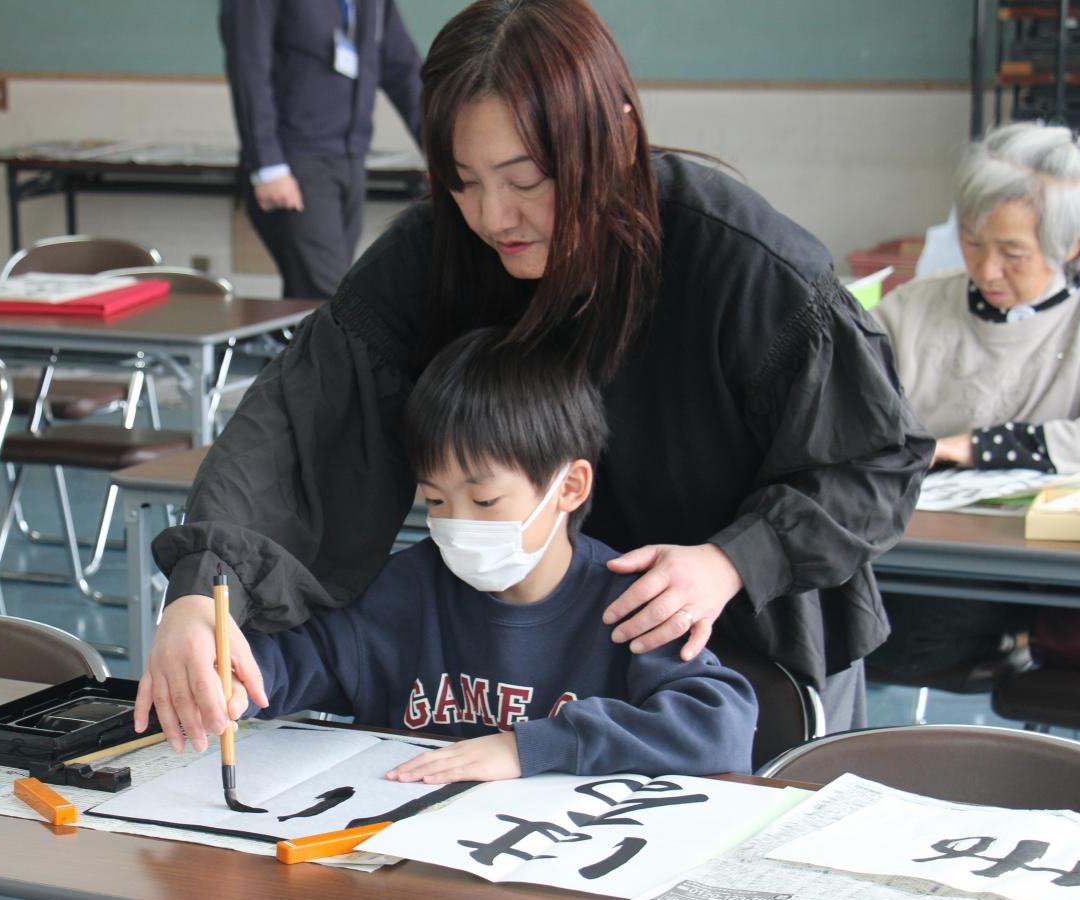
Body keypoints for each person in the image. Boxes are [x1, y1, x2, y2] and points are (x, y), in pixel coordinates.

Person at [139, 0, 930, 748]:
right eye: (463, 179)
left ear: (616, 137)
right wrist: (205, 590)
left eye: (525, 181)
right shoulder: (436, 253)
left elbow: (874, 464)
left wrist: (730, 560)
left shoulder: (744, 265)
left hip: (737, 649)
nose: (493, 217)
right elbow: (302, 423)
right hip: (540, 661)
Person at [237, 328, 757, 900]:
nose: (457, 525)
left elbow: (719, 725)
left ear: (568, 487)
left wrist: (531, 746)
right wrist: (228, 675)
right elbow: (302, 660)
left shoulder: (628, 603)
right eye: (435, 500)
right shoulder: (406, 589)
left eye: (483, 499)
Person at [869, 122, 1080, 680]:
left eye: (1013, 253)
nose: (987, 270)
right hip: (896, 547)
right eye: (973, 241)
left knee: (916, 630)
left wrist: (972, 447)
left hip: (1015, 568)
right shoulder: (911, 309)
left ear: (1069, 247)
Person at [220, 0, 424, 299]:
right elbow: (249, 67)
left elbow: (403, 68)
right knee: (327, 299)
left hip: (351, 158)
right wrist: (267, 165)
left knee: (321, 298)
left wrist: (443, 149)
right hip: (296, 162)